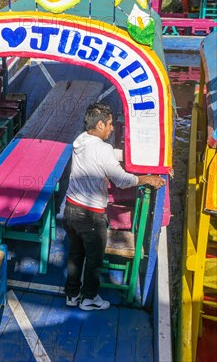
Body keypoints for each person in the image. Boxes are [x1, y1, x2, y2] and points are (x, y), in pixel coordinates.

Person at [64, 102, 165, 311]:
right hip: (90, 215)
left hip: (70, 209)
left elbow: (102, 158)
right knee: (94, 259)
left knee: (75, 254)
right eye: (110, 124)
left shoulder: (80, 140)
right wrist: (146, 178)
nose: (112, 128)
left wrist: (122, 156)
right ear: (100, 124)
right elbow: (121, 180)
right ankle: (89, 298)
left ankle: (72, 294)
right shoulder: (103, 149)